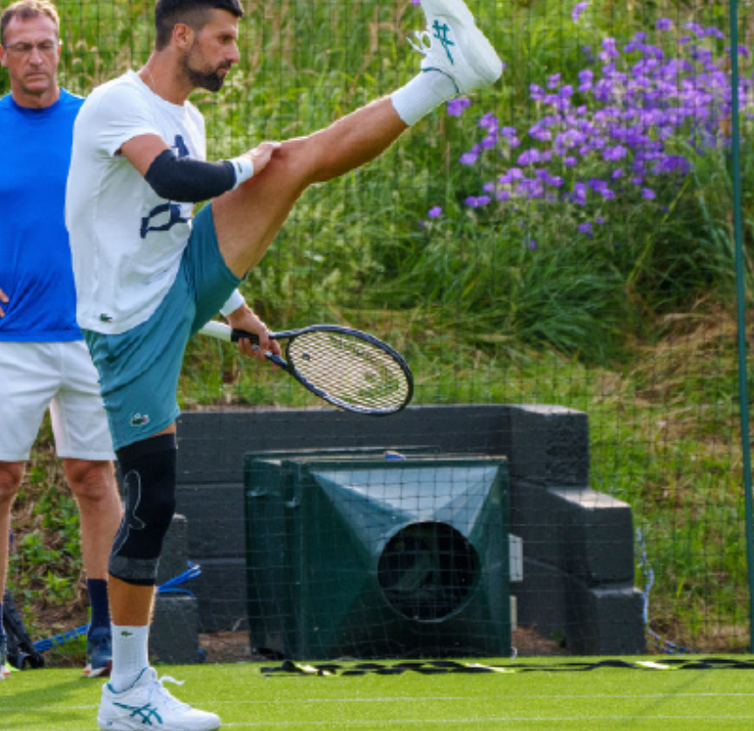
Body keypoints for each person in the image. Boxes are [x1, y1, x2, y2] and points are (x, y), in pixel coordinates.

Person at [65, 0, 501, 726]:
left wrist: (236, 310)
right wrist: (242, 166)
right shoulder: (116, 104)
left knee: (294, 160)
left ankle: (441, 76)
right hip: (129, 332)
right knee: (151, 501)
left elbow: (170, 237)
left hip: (180, 285)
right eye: (225, 38)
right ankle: (126, 693)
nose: (235, 52)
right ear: (182, 35)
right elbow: (175, 181)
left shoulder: (190, 117)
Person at [0, 0, 223, 683]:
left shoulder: (98, 116)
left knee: (95, 481)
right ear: (4, 56)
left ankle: (104, 638)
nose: (36, 57)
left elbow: (162, 214)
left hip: (97, 336)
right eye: (23, 47)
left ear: (60, 50)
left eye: (46, 45)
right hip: (8, 338)